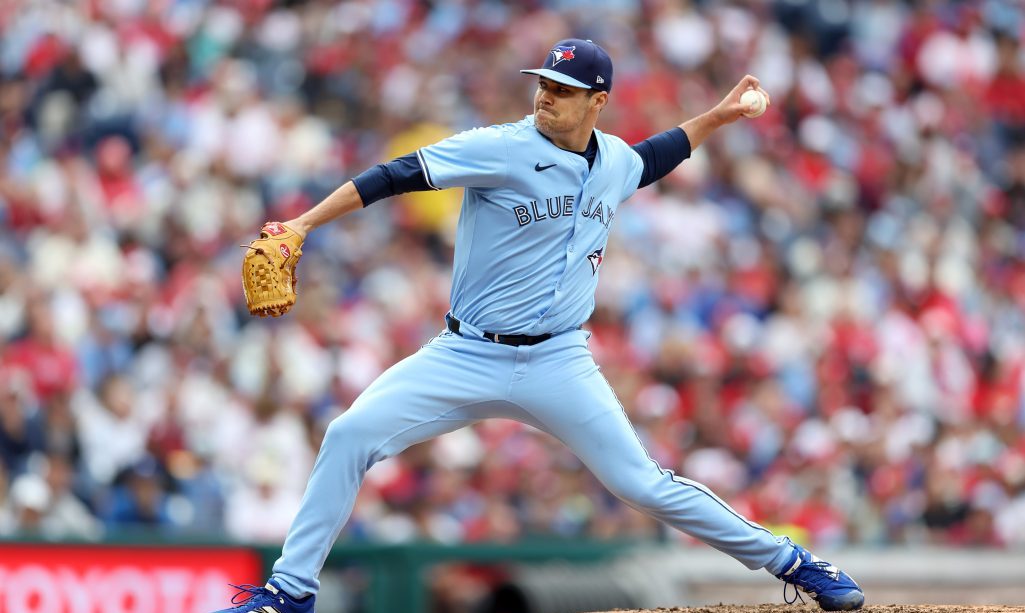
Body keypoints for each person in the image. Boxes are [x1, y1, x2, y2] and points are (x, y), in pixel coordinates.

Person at [215, 39, 865, 613]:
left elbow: (657, 155)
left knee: (642, 483)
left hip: (559, 361)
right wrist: (303, 224)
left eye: (564, 91)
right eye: (544, 85)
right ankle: (289, 590)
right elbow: (395, 175)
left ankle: (794, 562)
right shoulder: (499, 148)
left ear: (597, 102)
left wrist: (719, 116)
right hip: (465, 352)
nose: (546, 98)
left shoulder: (611, 161)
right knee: (349, 432)